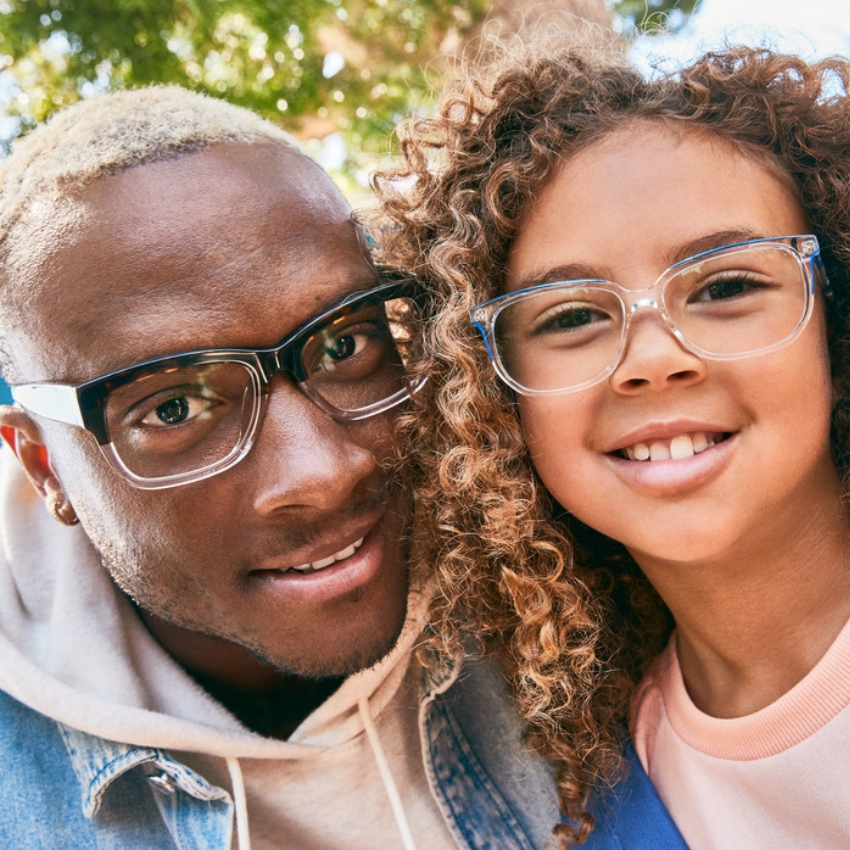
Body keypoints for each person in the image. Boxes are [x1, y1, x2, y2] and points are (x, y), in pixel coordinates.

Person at [0, 85, 561, 849]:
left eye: (343, 345)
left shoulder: (559, 579)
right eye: (173, 409)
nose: (324, 473)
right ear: (46, 466)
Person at [374, 41, 850, 849]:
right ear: (491, 403)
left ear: (834, 326)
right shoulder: (608, 803)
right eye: (569, 316)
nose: (654, 357)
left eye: (726, 286)